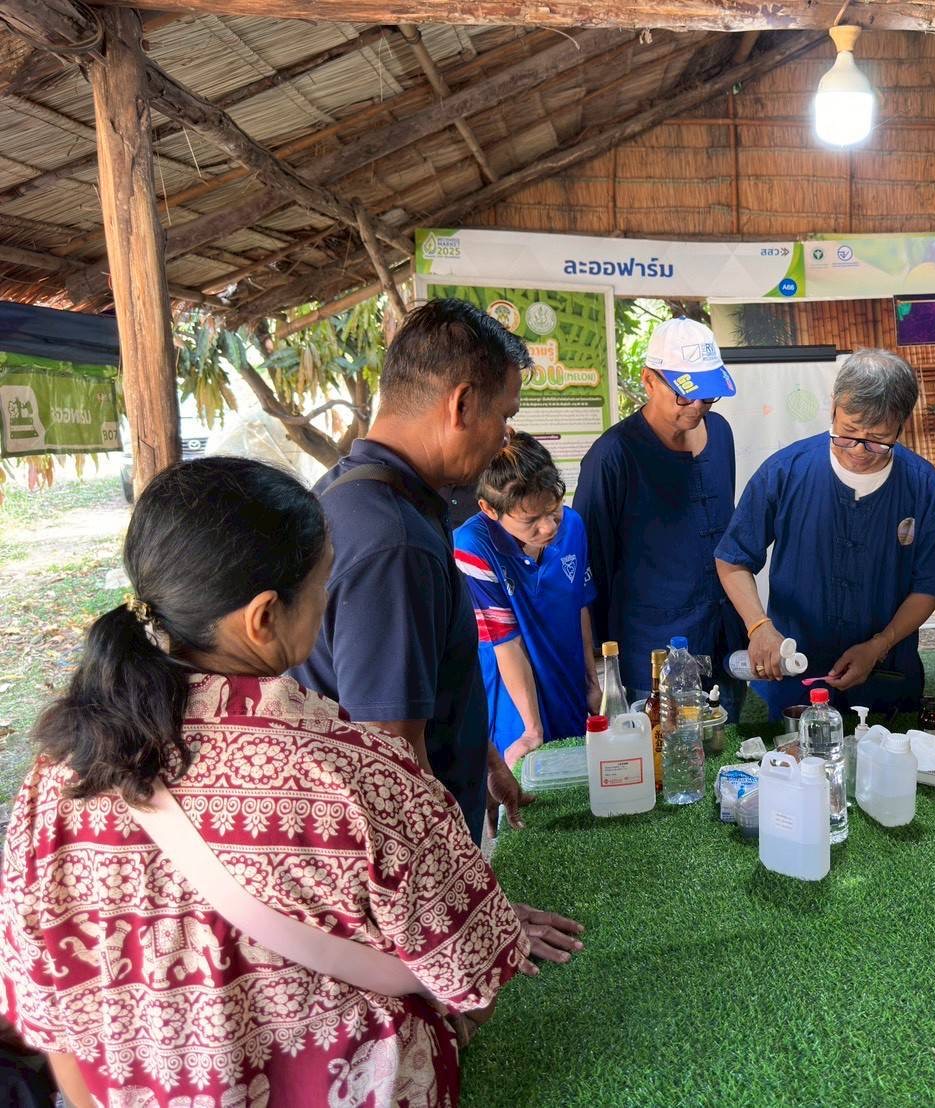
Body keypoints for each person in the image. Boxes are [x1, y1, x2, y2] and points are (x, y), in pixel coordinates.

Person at [0, 457, 582, 1106]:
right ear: (263, 618)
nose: (328, 603)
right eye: (323, 583)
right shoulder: (354, 770)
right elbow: (473, 980)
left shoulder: (53, 779)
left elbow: (47, 1014)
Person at [293, 298, 534, 843]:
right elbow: (390, 764)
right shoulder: (394, 543)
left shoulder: (352, 491)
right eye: (505, 415)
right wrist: (466, 907)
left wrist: (481, 755)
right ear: (463, 405)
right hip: (410, 888)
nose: (505, 437)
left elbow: (410, 685)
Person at [715, 348, 935, 715]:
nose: (859, 450)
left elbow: (929, 586)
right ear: (833, 408)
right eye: (847, 433)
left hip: (887, 673)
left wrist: (880, 645)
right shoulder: (785, 472)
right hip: (796, 671)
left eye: (878, 440)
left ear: (902, 424)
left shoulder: (923, 486)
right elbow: (732, 560)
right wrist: (759, 625)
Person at [573, 316, 743, 709]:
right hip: (651, 650)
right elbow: (590, 562)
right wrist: (598, 660)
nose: (697, 407)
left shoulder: (720, 434)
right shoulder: (612, 457)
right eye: (684, 396)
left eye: (708, 396)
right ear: (649, 381)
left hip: (722, 638)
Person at [454, 432, 600, 767]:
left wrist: (591, 683)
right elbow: (505, 643)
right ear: (490, 509)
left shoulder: (573, 526)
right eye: (531, 521)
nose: (548, 527)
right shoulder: (473, 547)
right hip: (513, 695)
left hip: (567, 679)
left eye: (553, 509)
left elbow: (579, 606)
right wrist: (532, 729)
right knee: (522, 778)